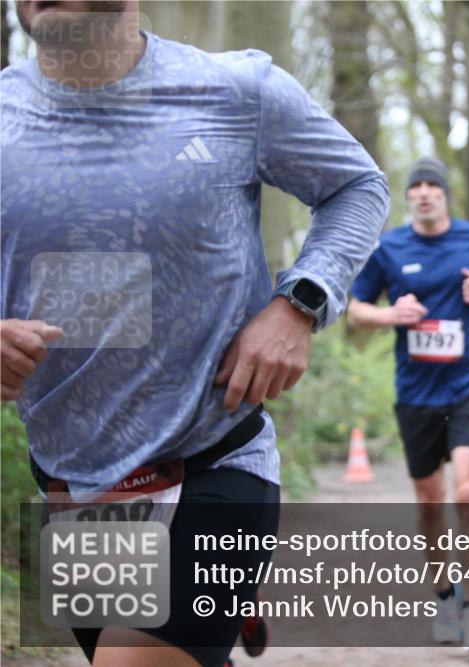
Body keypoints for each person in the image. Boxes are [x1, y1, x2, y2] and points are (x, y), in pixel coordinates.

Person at [0, 3, 389, 666]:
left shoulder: (237, 91)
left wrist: (299, 303)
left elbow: (356, 185)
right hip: (74, 483)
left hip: (212, 455)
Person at [346, 157, 469, 649]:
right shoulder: (389, 248)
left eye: (433, 185)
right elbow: (354, 310)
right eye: (417, 187)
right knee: (431, 502)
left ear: (445, 194)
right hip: (416, 391)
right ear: (408, 196)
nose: (425, 193)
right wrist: (390, 314)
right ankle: (444, 598)